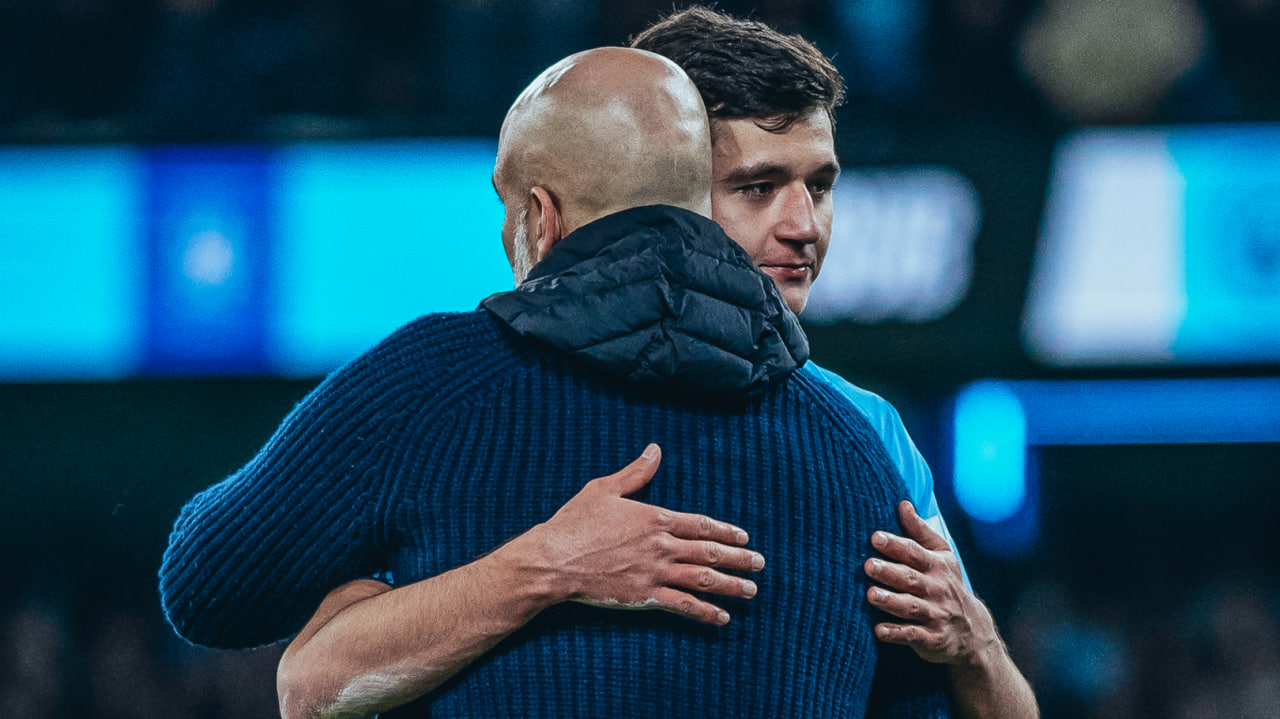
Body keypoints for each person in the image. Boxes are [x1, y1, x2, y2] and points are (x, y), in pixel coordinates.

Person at [160, 46, 955, 718]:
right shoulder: (854, 448)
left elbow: (205, 585)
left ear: (542, 220)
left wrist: (522, 571)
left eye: (507, 211)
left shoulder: (432, 381)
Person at [629, 8, 1038, 718]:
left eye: (819, 187)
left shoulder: (868, 428)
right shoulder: (521, 402)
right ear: (661, 194)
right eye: (758, 188)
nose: (804, 227)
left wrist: (976, 644)